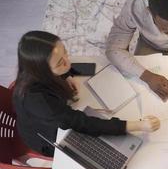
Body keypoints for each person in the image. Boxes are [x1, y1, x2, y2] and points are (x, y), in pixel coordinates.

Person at [13, 31, 160, 157]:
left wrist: (65, 76)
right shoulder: (40, 103)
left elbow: (61, 67)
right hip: (47, 139)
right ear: (43, 71)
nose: (68, 61)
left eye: (65, 51)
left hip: (46, 118)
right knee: (110, 155)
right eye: (60, 63)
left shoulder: (31, 72)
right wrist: (137, 125)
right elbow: (84, 123)